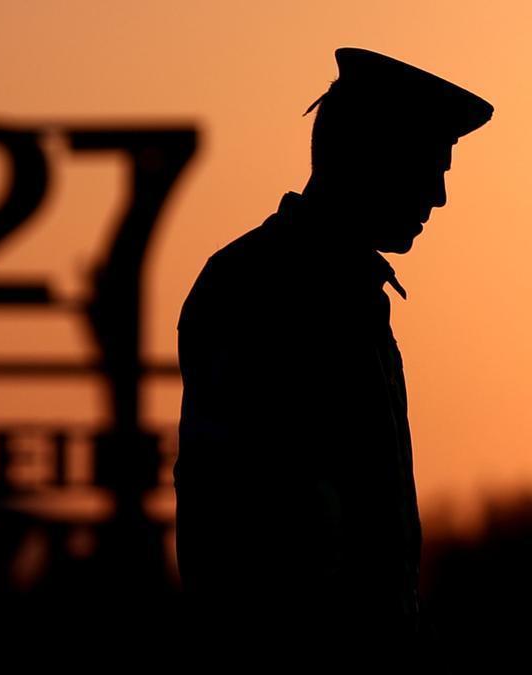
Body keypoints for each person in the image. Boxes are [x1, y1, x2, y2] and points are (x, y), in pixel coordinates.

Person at [173, 47, 492, 665]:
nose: (440, 195)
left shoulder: (334, 292)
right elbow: (247, 537)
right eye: (429, 165)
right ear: (368, 157)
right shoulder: (265, 290)